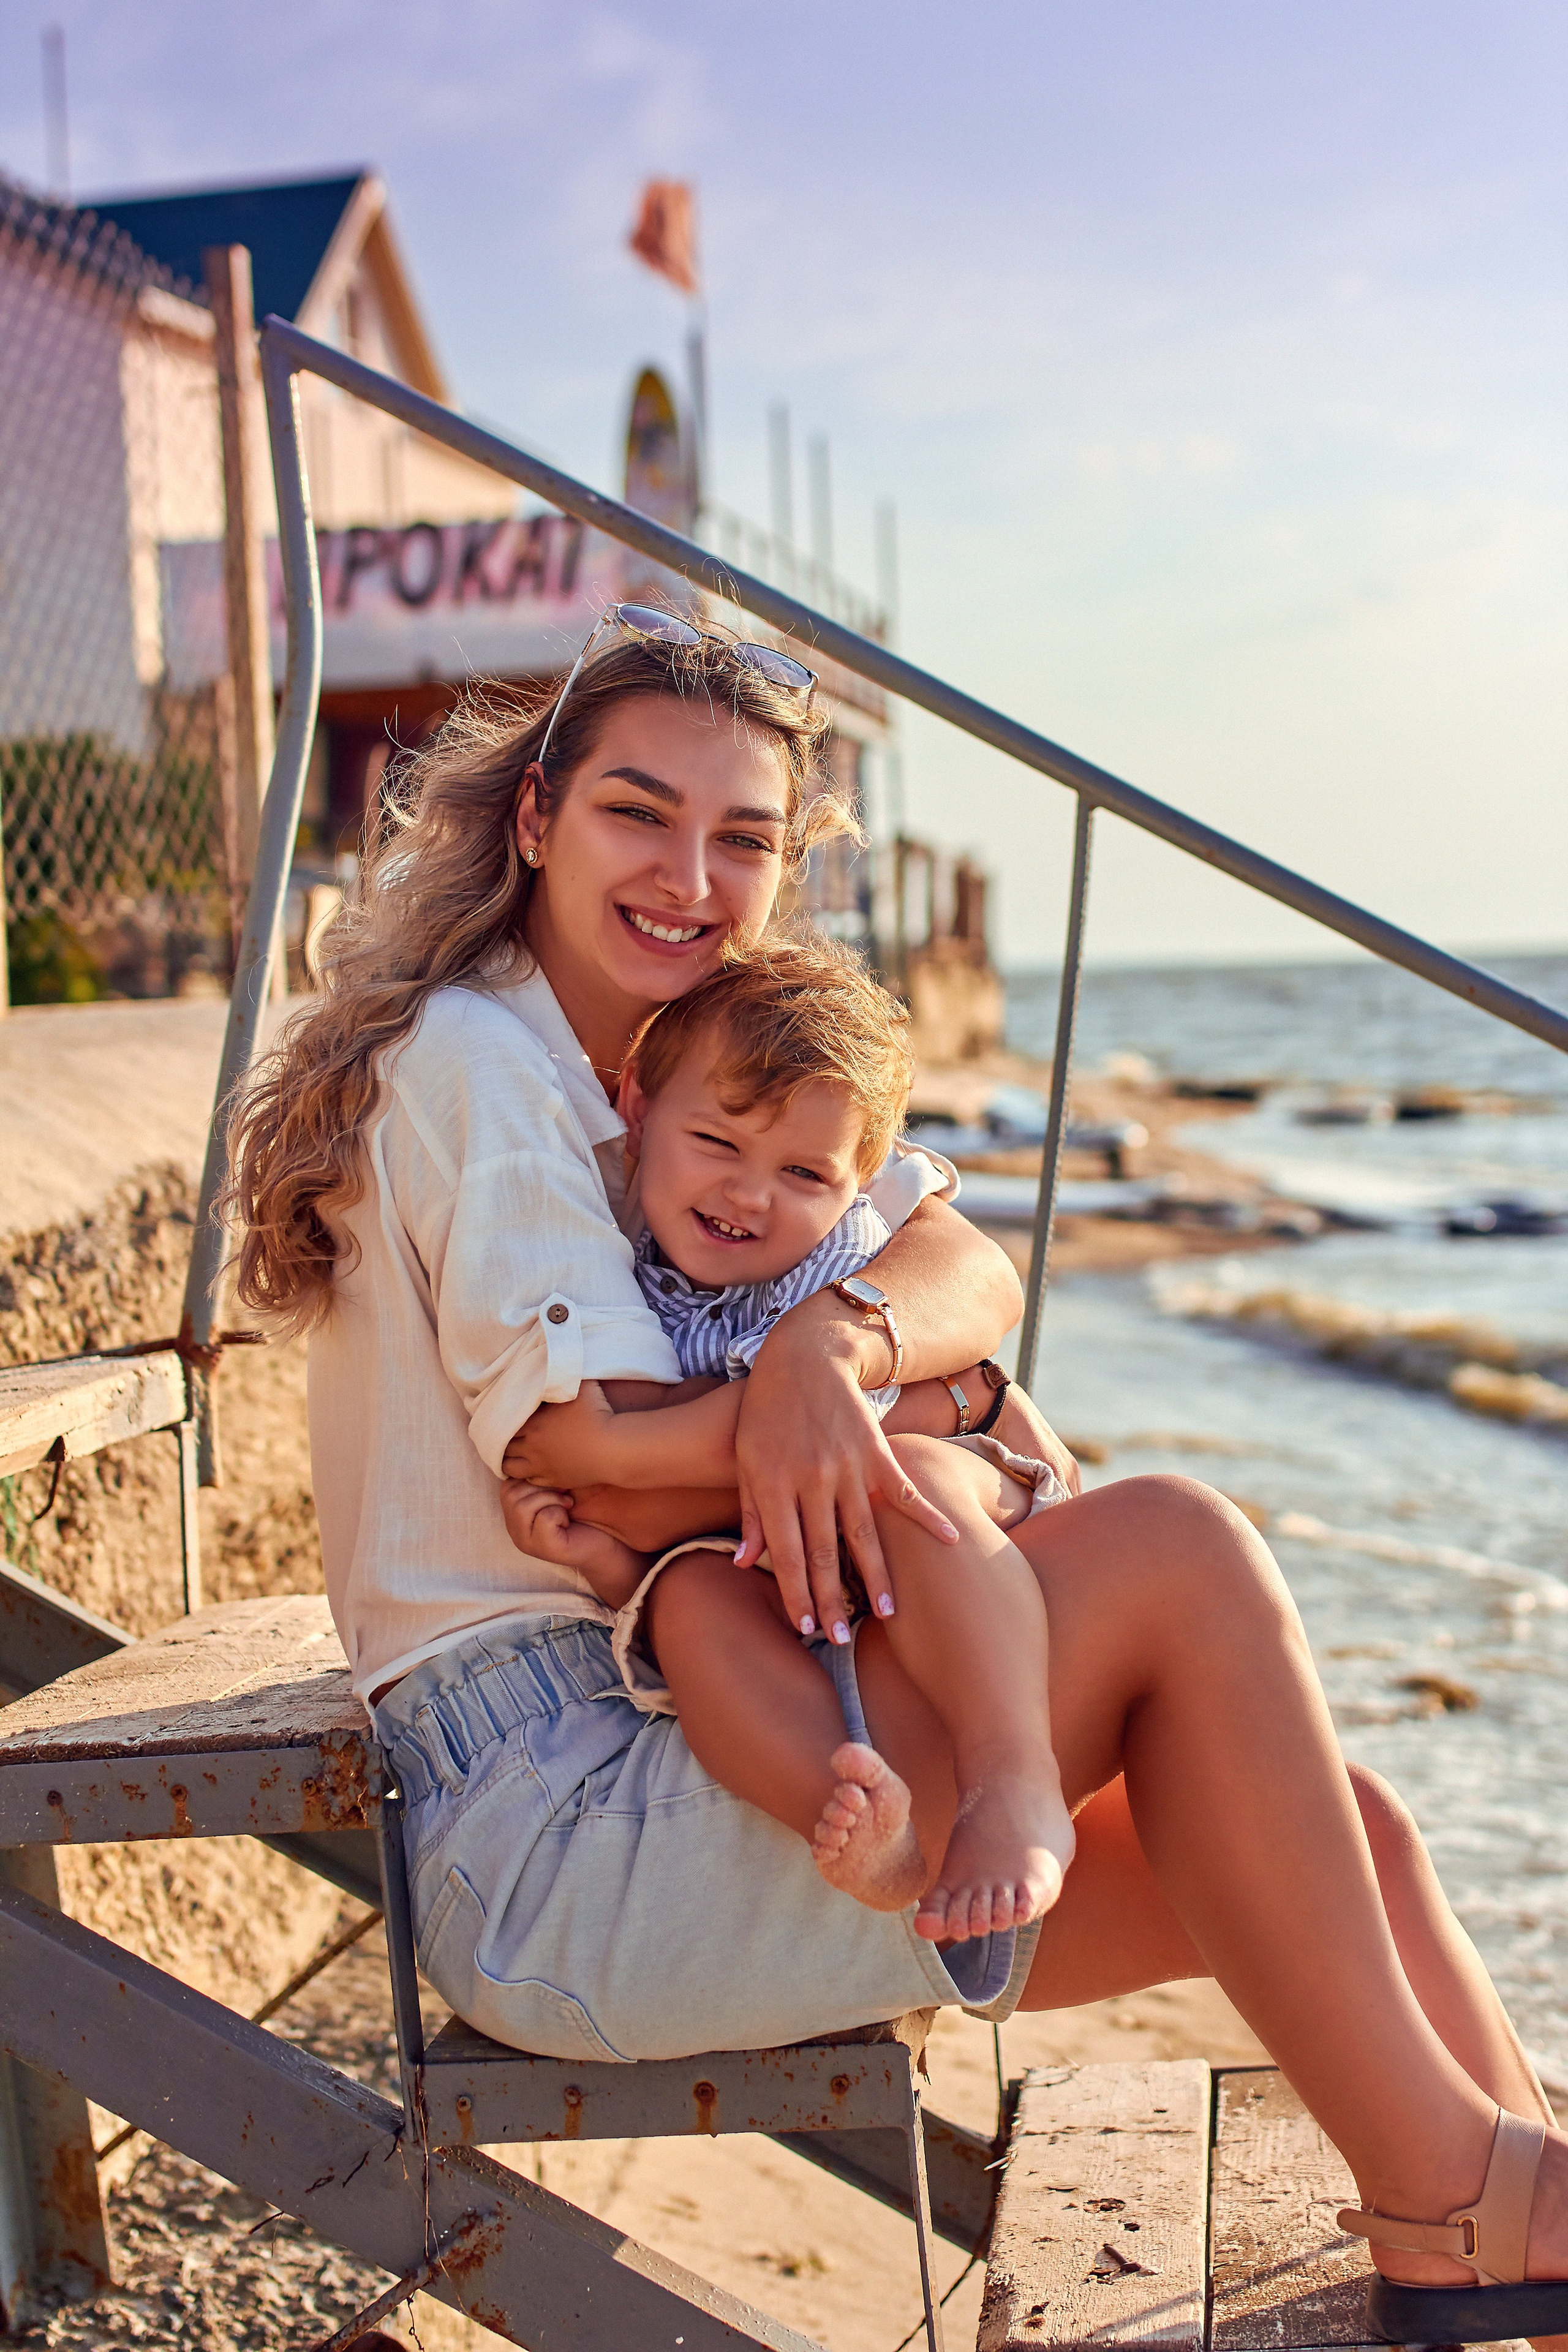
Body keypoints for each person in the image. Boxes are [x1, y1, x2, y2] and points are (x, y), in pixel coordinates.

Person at [230, 603, 1568, 2346]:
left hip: (704, 1747)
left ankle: (1505, 2241)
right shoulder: (487, 1069)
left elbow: (963, 1265)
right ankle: (1464, 2211)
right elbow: (610, 1484)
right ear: (539, 812)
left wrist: (831, 1349)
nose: (690, 875)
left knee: (1352, 1843)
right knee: (1170, 1551)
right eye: (640, 813)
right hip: (561, 1835)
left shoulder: (685, 1043)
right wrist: (928, 1420)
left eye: (746, 837)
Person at [500, 930, 1076, 1945]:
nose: (749, 1195)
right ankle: (863, 1823)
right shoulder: (615, 1258)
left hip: (934, 1521)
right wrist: (600, 1556)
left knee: (915, 1480)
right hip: (782, 1572)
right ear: (637, 1107)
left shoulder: (856, 1257)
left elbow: (965, 1321)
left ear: (860, 1177)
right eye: (717, 1145)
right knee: (682, 1603)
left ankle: (1010, 1781)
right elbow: (661, 1522)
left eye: (804, 1174)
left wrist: (616, 1457)